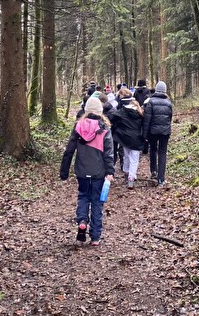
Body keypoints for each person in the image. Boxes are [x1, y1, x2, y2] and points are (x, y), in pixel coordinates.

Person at [60, 96, 115, 246]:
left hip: (82, 171)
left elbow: (69, 150)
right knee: (97, 202)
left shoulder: (78, 127)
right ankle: (95, 237)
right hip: (99, 172)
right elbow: (109, 153)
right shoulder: (105, 129)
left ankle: (82, 220)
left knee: (83, 196)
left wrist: (64, 171)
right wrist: (110, 172)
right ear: (100, 111)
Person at [112, 88, 144, 189]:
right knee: (134, 159)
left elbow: (113, 119)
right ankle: (131, 178)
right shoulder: (141, 114)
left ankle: (126, 173)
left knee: (126, 156)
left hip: (125, 138)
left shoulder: (122, 112)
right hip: (137, 139)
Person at [142, 81, 173, 187]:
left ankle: (153, 170)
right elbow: (170, 118)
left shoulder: (151, 102)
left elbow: (147, 120)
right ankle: (161, 179)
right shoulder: (169, 103)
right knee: (162, 153)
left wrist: (144, 135)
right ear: (165, 90)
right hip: (165, 132)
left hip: (153, 131)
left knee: (153, 149)